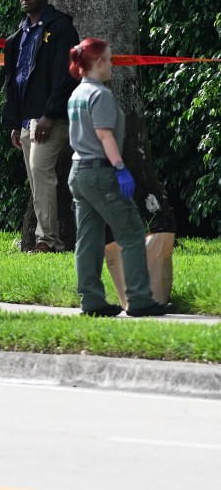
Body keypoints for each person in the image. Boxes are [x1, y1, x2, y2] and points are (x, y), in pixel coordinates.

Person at [66, 38, 175, 317]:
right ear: (99, 62)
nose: (113, 65)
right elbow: (104, 136)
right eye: (110, 59)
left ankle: (91, 301)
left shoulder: (77, 93)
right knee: (132, 232)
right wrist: (120, 168)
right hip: (101, 172)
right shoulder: (100, 94)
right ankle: (139, 300)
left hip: (78, 172)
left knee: (88, 239)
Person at [2, 0, 79, 253]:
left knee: (41, 171)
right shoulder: (18, 35)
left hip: (50, 117)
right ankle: (48, 239)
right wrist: (12, 123)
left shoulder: (61, 28)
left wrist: (50, 114)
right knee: (35, 178)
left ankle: (47, 241)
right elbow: (13, 81)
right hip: (24, 119)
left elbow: (67, 76)